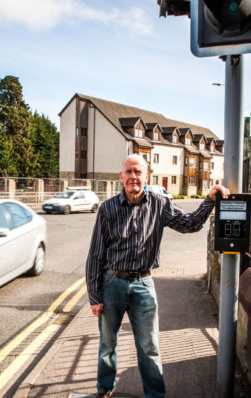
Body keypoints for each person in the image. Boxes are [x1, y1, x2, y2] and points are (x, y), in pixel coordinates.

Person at [85, 154, 229, 398]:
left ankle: (155, 395)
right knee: (107, 345)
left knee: (149, 346)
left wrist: (209, 200)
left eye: (138, 172)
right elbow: (96, 254)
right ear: (121, 176)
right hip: (112, 284)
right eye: (128, 171)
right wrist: (94, 294)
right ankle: (105, 389)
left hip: (143, 283)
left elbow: (190, 224)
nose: (133, 177)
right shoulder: (107, 209)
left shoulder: (159, 203)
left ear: (146, 176)